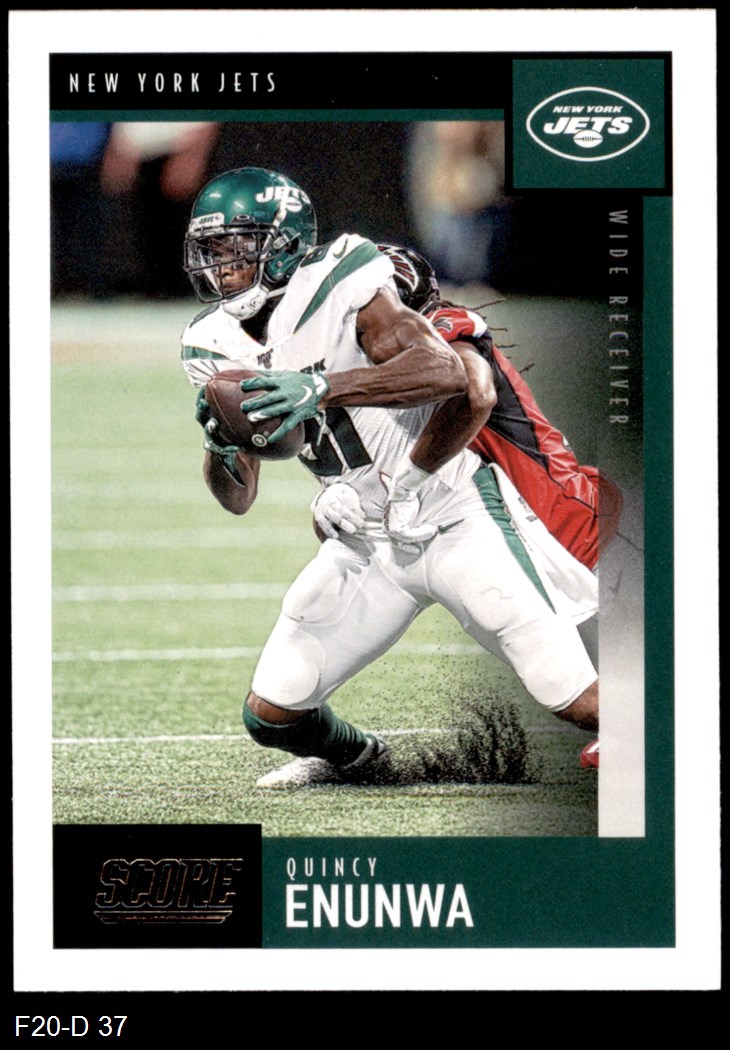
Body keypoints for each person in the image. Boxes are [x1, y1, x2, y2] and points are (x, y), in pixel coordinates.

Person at [181, 167, 600, 787]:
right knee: (272, 715)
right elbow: (237, 496)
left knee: (577, 700)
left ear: (286, 243)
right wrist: (219, 445)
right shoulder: (209, 343)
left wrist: (321, 387)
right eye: (212, 249)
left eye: (236, 247)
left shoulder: (341, 279)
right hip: (364, 541)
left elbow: (448, 374)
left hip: (452, 514)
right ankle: (361, 760)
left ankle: (672, 727)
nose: (222, 267)